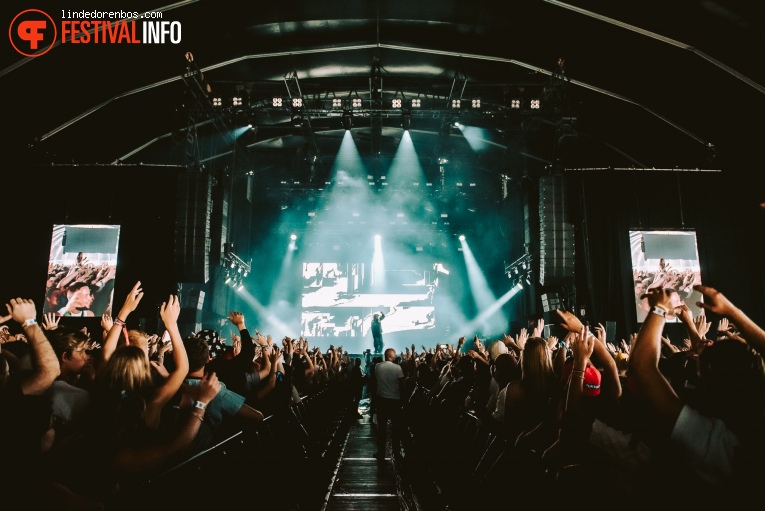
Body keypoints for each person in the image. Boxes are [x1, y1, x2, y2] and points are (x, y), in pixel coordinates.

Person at [373, 347, 405, 461]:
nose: (396, 356)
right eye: (395, 354)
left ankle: (381, 452)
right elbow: (402, 384)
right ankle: (396, 452)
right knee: (396, 428)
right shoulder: (398, 368)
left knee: (382, 428)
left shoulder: (377, 367)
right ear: (391, 356)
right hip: (395, 401)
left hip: (382, 400)